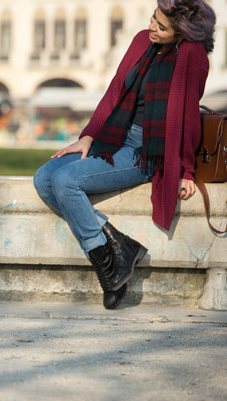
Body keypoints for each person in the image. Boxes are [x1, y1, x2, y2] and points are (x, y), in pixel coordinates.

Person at [33, 0, 215, 309]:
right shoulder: (142, 41)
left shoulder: (192, 57)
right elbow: (115, 89)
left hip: (149, 149)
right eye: (152, 19)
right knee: (44, 177)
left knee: (65, 181)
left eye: (161, 26)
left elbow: (186, 117)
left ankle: (106, 267)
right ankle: (118, 248)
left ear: (182, 33)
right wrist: (89, 135)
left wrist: (185, 169)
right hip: (115, 136)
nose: (152, 28)